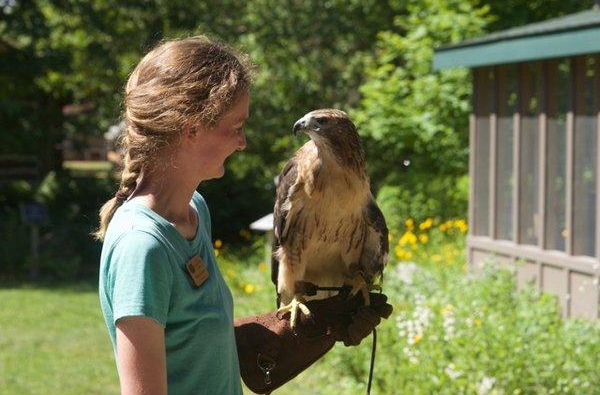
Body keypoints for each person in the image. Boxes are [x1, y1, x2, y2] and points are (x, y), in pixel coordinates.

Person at [95, 36, 392, 395]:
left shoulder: (194, 212)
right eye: (236, 127)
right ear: (191, 128)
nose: (243, 142)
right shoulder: (141, 247)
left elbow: (187, 344)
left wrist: (301, 327)